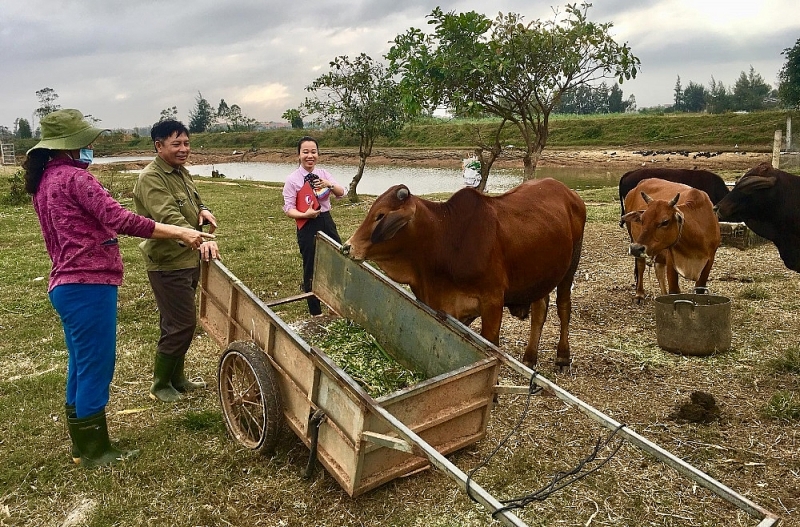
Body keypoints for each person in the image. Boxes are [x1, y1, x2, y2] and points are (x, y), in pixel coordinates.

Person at [23, 109, 215, 468]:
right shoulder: (76, 180)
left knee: (80, 364)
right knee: (96, 364)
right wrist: (182, 232)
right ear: (71, 145)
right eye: (87, 141)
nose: (91, 146)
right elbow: (121, 219)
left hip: (66, 285)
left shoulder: (47, 180)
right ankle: (97, 450)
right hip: (88, 284)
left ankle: (83, 446)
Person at [132, 119, 220, 403]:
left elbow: (195, 199)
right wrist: (203, 240)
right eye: (176, 144)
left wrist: (204, 210)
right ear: (159, 146)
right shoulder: (151, 178)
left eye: (186, 143)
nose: (184, 149)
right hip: (167, 262)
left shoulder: (180, 172)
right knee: (183, 323)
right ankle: (160, 384)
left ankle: (176, 378)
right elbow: (168, 216)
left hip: (187, 259)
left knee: (173, 322)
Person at [282, 136, 344, 316]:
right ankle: (315, 312)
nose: (310, 156)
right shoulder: (292, 180)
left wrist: (329, 184)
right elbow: (288, 209)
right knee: (311, 266)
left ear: (318, 154)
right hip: (307, 224)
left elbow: (342, 193)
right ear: (299, 155)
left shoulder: (324, 174)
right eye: (305, 152)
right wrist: (305, 215)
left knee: (338, 259)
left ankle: (336, 307)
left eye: (313, 152)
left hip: (326, 220)